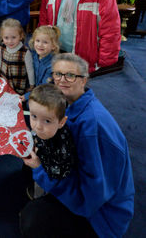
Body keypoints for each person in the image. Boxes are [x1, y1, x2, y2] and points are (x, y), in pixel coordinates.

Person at [20, 53, 134, 238]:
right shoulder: (68, 105)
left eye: (70, 75)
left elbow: (90, 199)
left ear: (84, 80)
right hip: (82, 188)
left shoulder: (92, 128)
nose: (61, 80)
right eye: (57, 74)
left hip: (100, 218)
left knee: (33, 219)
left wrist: (41, 170)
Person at [26, 84, 76, 199]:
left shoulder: (62, 147)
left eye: (47, 121)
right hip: (45, 156)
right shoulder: (46, 132)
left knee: (42, 196)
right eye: (33, 116)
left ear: (61, 122)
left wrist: (38, 166)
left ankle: (39, 198)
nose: (38, 127)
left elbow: (57, 178)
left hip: (54, 179)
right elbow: (38, 137)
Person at [0, 18, 34, 95]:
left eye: (14, 37)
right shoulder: (2, 47)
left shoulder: (25, 52)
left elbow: (30, 70)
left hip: (18, 84)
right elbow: (1, 61)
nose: (10, 41)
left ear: (21, 36)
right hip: (5, 81)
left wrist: (32, 85)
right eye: (6, 38)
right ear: (2, 37)